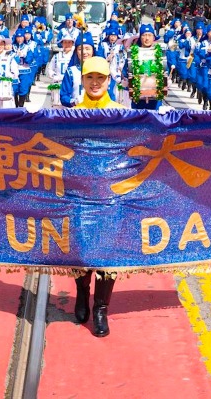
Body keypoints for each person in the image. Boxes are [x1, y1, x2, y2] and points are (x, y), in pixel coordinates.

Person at [72, 55, 125, 337]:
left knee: (108, 252)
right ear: (82, 80)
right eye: (90, 78)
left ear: (109, 81)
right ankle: (82, 293)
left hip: (111, 195)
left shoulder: (121, 113)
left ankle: (101, 307)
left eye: (100, 78)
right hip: (80, 194)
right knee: (81, 249)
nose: (95, 83)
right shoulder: (70, 115)